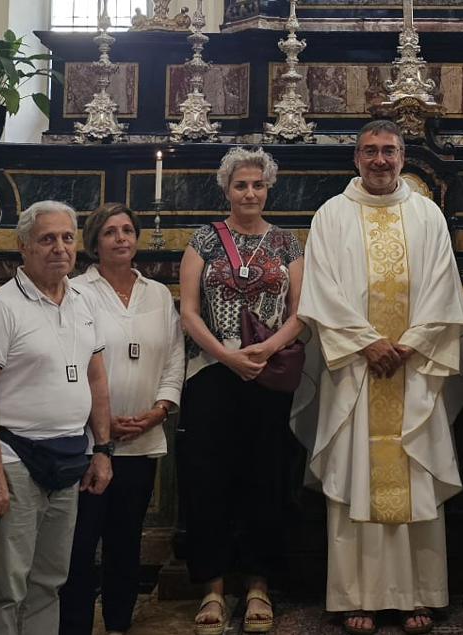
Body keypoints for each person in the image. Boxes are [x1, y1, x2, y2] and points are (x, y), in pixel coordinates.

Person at [298, 120, 463, 635]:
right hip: (355, 369)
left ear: (402, 156)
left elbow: (444, 284)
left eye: (389, 151)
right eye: (370, 151)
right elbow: (321, 290)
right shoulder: (331, 215)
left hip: (413, 368)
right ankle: (360, 595)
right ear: (355, 158)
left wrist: (413, 342)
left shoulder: (428, 214)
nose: (380, 160)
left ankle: (418, 593)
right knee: (356, 478)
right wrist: (367, 342)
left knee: (414, 477)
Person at [0, 200, 115, 635]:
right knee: (8, 584)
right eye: (47, 239)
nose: (59, 248)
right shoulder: (1, 307)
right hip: (16, 458)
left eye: (67, 238)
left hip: (70, 457)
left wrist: (102, 450)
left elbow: (98, 381)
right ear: (24, 246)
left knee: (50, 580)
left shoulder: (85, 302)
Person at [178, 147, 305, 635]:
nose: (249, 193)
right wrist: (227, 356)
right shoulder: (204, 240)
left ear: (268, 189)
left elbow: (300, 311)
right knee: (209, 477)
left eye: (257, 185)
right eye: (240, 185)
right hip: (211, 372)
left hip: (268, 373)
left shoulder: (286, 243)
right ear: (225, 189)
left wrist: (267, 349)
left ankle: (258, 584)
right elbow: (188, 310)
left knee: (266, 476)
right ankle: (211, 587)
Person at [60, 203, 185, 635]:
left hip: (143, 440)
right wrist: (100, 421)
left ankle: (117, 624)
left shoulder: (156, 294)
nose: (121, 238)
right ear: (94, 243)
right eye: (110, 232)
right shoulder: (76, 293)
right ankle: (74, 625)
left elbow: (174, 358)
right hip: (89, 442)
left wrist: (159, 410)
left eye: (128, 230)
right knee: (80, 543)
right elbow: (68, 360)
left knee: (124, 542)